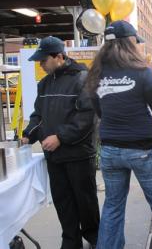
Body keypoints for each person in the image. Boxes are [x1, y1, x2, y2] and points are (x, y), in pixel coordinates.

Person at [85, 20, 152, 249]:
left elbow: (100, 112)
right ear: (129, 42)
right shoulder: (143, 72)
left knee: (112, 207)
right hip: (142, 150)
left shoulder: (96, 73)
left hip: (110, 150)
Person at [22, 36, 99, 249]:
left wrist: (60, 138)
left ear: (59, 57)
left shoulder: (83, 78)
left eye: (43, 60)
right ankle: (71, 242)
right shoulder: (45, 84)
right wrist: (29, 134)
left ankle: (94, 238)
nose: (41, 65)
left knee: (86, 202)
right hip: (55, 158)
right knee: (63, 202)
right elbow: (39, 115)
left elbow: (86, 118)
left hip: (79, 155)